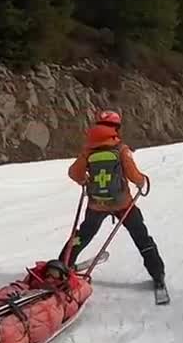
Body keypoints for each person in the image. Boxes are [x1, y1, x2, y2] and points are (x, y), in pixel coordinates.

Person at [58, 110, 166, 291]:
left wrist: (85, 181)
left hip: (96, 204)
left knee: (83, 235)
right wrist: (142, 181)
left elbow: (73, 172)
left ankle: (62, 267)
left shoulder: (88, 151)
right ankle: (157, 274)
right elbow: (133, 175)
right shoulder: (121, 149)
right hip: (122, 203)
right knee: (141, 236)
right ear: (116, 127)